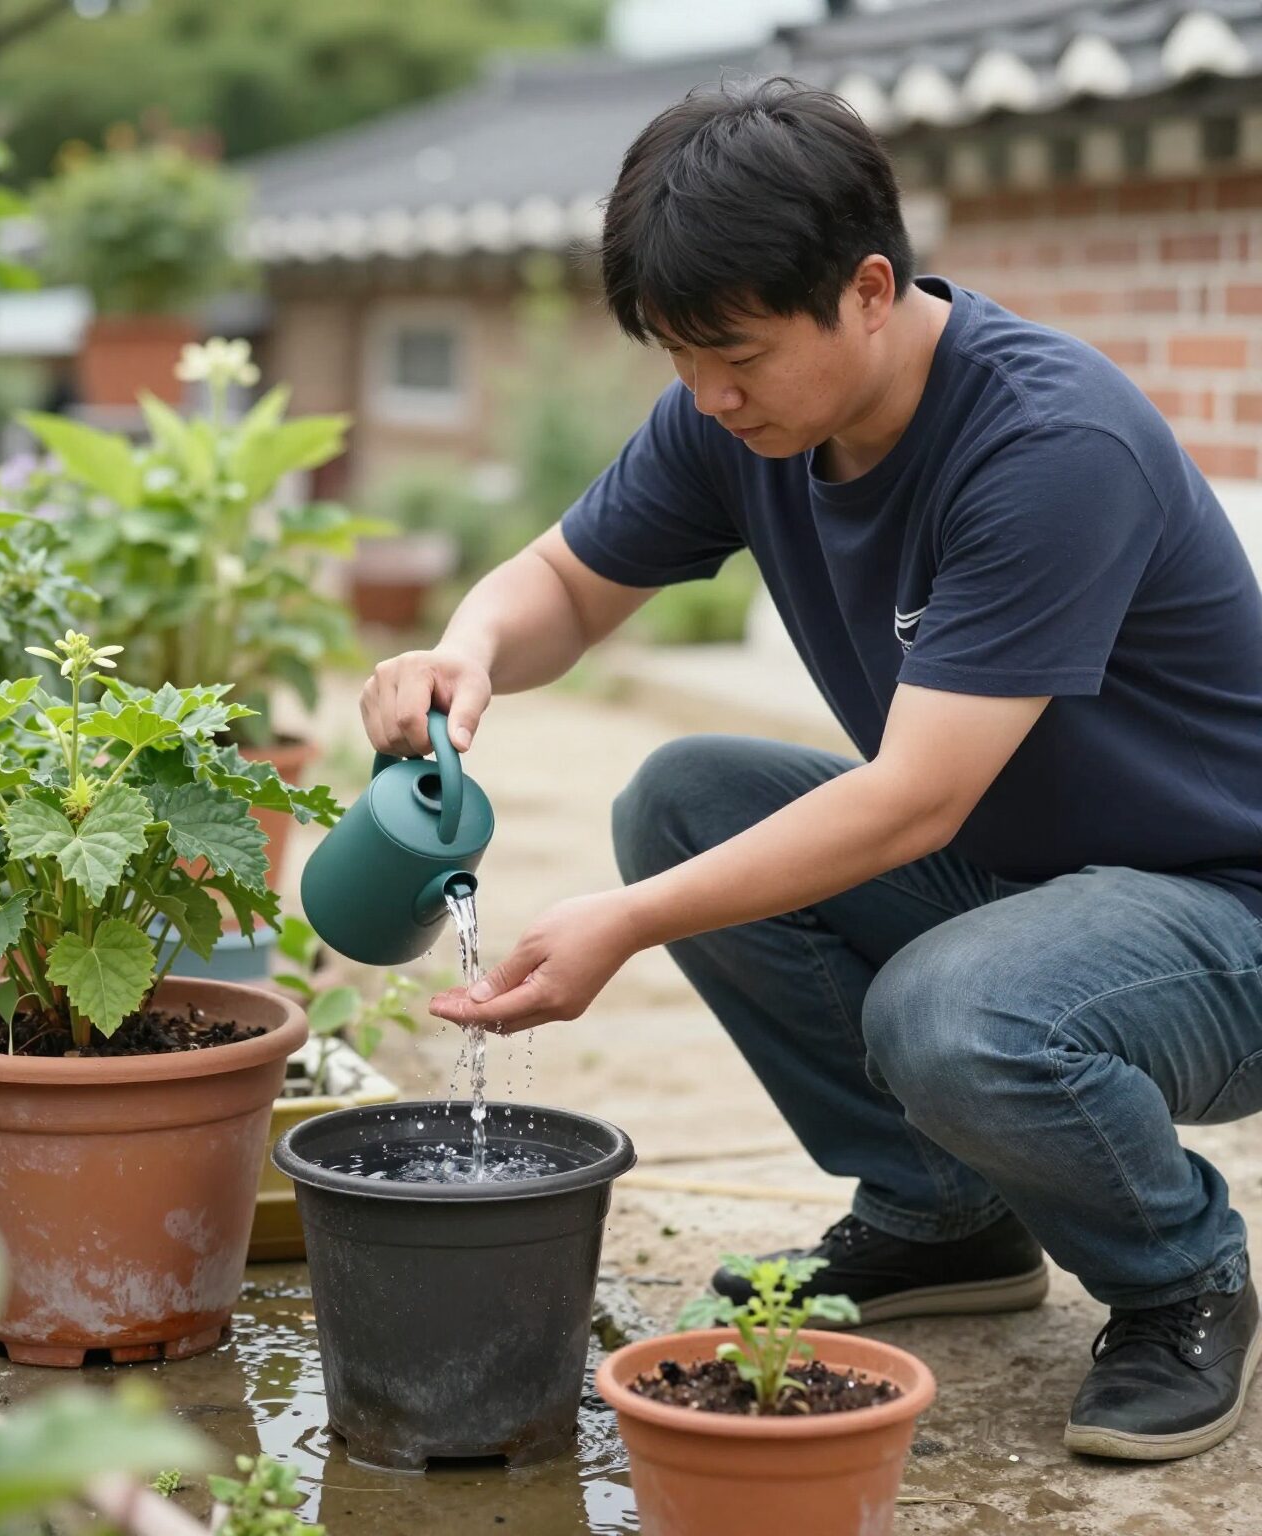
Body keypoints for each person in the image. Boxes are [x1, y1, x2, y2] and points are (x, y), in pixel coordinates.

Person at [358, 78, 1262, 1462]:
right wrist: (465, 648)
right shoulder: (741, 423)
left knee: (950, 1011)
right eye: (678, 361)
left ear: (869, 289)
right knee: (683, 800)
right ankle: (941, 1213)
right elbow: (565, 583)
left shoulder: (1045, 445)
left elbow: (915, 798)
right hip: (1034, 884)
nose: (710, 397)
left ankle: (1179, 1274)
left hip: (1224, 914)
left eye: (737, 356)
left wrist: (631, 926)